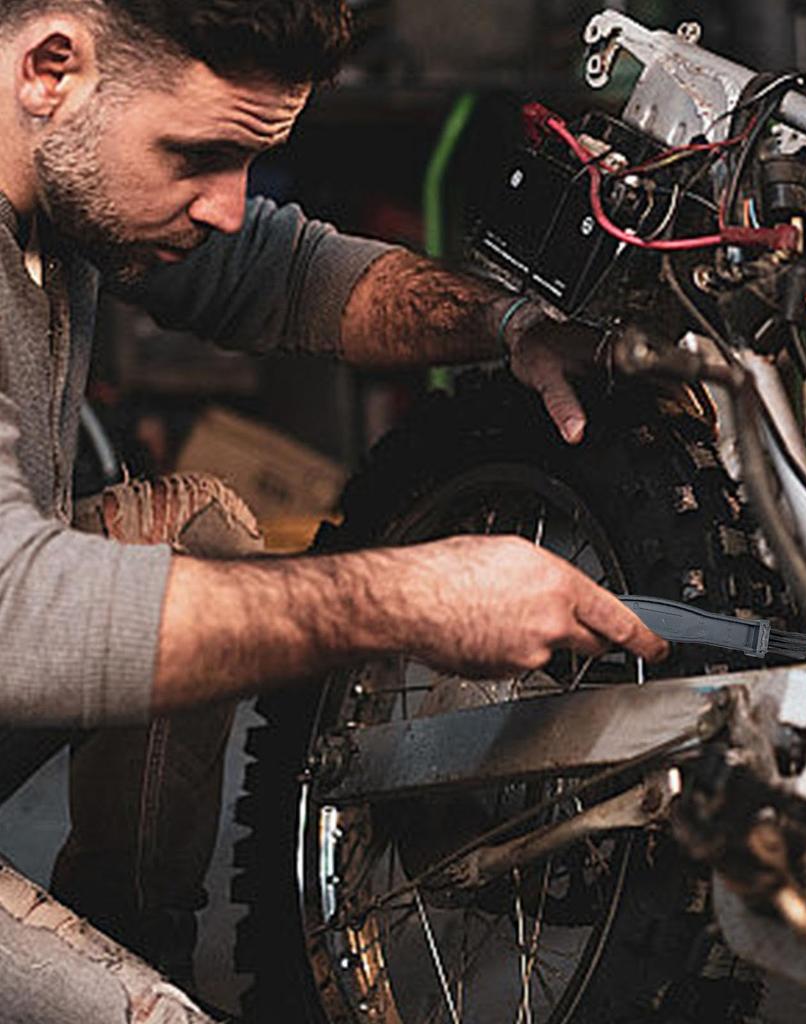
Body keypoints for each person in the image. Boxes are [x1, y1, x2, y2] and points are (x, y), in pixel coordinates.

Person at [0, 0, 669, 1002]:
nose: (228, 203)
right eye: (197, 156)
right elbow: (14, 619)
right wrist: (400, 597)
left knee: (200, 534)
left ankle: (129, 939)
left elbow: (279, 271)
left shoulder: (69, 180)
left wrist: (510, 325)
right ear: (51, 69)